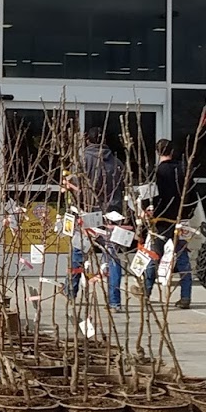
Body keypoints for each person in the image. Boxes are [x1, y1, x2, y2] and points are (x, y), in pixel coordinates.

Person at [68, 127, 129, 307]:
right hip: (113, 215)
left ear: (87, 140)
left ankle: (71, 291)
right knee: (113, 257)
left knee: (78, 253)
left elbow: (74, 186)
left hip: (88, 213)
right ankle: (114, 300)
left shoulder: (82, 161)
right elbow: (123, 187)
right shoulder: (117, 163)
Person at [142, 138, 193, 309]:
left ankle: (146, 293)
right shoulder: (184, 172)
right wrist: (187, 213)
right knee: (183, 259)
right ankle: (185, 296)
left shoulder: (156, 173)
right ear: (172, 152)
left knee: (154, 257)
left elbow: (147, 196)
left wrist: (147, 210)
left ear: (158, 153)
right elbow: (193, 195)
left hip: (161, 221)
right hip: (180, 220)